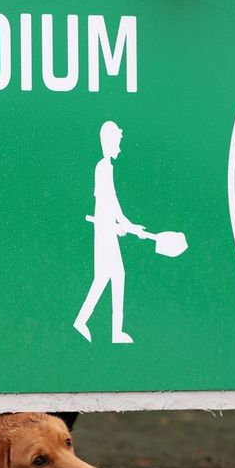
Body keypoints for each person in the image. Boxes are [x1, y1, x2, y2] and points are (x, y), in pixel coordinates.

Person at [74, 121, 143, 344]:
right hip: (105, 233)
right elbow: (106, 203)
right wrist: (118, 226)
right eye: (118, 143)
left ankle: (92, 324)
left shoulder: (106, 167)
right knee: (113, 276)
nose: (120, 148)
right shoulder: (103, 167)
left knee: (106, 277)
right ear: (109, 142)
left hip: (107, 230)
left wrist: (128, 226)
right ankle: (108, 330)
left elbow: (112, 205)